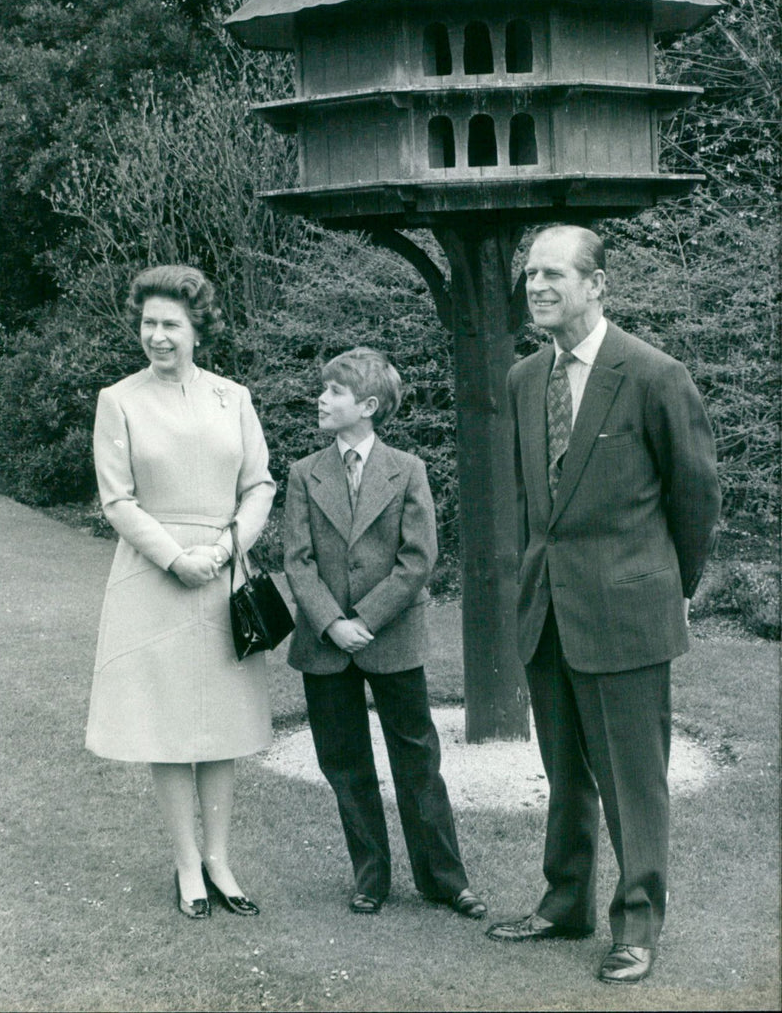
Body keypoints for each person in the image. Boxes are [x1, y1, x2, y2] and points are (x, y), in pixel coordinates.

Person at [485, 226, 721, 982]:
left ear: (597, 285)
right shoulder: (525, 379)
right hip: (547, 609)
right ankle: (565, 904)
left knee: (633, 782)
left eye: (555, 274)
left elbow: (696, 499)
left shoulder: (654, 374)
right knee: (565, 771)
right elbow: (533, 503)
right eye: (531, 276)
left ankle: (638, 925)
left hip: (629, 615)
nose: (539, 287)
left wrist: (663, 591)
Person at [86, 265, 276, 920]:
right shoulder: (120, 399)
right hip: (153, 579)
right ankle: (187, 863)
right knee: (166, 725)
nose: (158, 336)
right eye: (149, 324)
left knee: (220, 726)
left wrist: (225, 551)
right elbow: (116, 499)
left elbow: (259, 486)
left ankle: (220, 859)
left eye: (171, 324)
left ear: (198, 328)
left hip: (224, 577)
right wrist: (173, 558)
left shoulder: (234, 397)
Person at [284, 347, 485, 919]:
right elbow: (296, 561)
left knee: (417, 760)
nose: (322, 399)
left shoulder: (408, 469)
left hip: (390, 637)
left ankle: (445, 879)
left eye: (335, 392)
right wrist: (331, 623)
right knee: (345, 762)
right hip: (325, 645)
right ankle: (370, 876)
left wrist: (363, 621)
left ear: (368, 406)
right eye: (322, 390)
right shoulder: (304, 473)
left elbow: (418, 560)